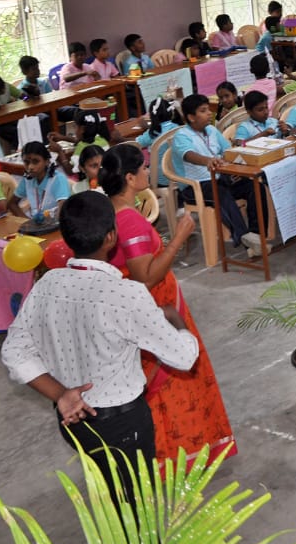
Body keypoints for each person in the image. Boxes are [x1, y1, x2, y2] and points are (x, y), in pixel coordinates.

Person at [0, 191, 200, 501]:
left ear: (66, 238)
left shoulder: (47, 284)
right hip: (122, 425)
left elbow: (14, 352)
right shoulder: (126, 294)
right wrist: (177, 321)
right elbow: (184, 357)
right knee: (136, 507)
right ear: (111, 237)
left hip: (73, 421)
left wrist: (61, 394)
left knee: (109, 495)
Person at [100, 144, 236, 466]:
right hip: (156, 308)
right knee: (173, 382)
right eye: (143, 168)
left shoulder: (111, 212)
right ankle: (175, 456)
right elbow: (145, 277)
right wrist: (179, 237)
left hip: (140, 307)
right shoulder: (129, 220)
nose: (148, 172)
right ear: (130, 178)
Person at [172, 93, 267, 256]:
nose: (209, 113)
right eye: (203, 111)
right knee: (220, 193)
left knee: (254, 186)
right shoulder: (182, 136)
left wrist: (235, 169)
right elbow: (188, 155)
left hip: (220, 177)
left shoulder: (211, 130)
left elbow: (228, 151)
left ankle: (257, 235)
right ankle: (246, 241)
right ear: (191, 117)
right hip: (196, 186)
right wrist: (208, 161)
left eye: (208, 109)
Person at [9, 140, 70, 220]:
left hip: (56, 222)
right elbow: (12, 204)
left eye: (35, 162)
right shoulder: (28, 179)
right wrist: (27, 222)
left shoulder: (58, 179)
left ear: (47, 161)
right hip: (36, 222)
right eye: (26, 162)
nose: (30, 167)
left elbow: (63, 211)